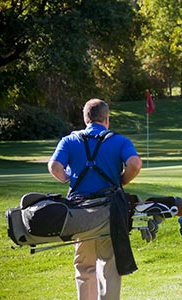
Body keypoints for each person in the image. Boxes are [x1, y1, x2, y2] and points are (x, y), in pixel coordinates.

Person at [48, 98, 142, 300]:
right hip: (110, 213)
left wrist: (67, 178)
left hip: (80, 214)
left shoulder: (69, 141)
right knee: (109, 266)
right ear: (106, 119)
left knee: (84, 266)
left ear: (85, 119)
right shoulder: (119, 141)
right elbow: (134, 163)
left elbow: (54, 166)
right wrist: (121, 181)